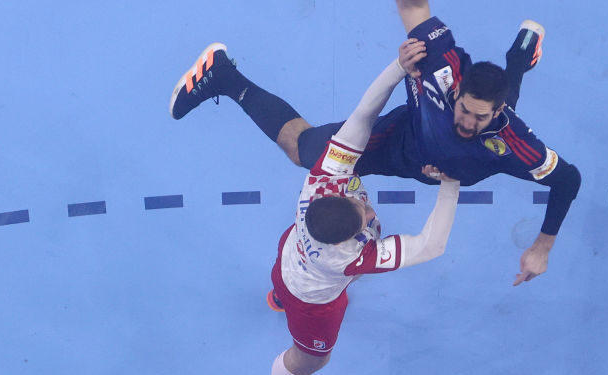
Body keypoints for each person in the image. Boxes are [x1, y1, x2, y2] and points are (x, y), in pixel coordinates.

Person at [170, 0, 580, 287]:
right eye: (464, 110)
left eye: (481, 116)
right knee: (302, 150)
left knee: (505, 103)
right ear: (456, 91)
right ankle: (223, 75)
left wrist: (543, 246)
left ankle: (519, 59)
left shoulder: (514, 141)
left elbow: (568, 180)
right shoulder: (442, 63)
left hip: (452, 169)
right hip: (399, 137)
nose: (468, 121)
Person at [171, 40, 460, 374]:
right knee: (314, 360)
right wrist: (451, 182)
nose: (369, 212)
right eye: (363, 219)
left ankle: (279, 296)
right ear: (344, 242)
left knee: (284, 272)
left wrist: (398, 67)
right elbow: (432, 245)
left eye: (358, 205)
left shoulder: (322, 179)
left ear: (331, 197)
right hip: (313, 303)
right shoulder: (351, 259)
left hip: (291, 255)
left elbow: (363, 115)